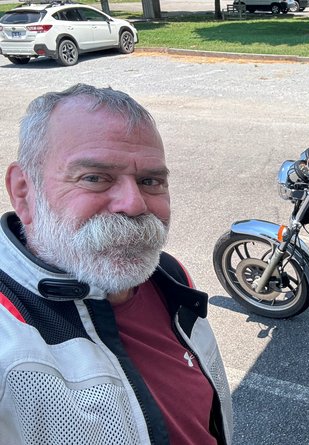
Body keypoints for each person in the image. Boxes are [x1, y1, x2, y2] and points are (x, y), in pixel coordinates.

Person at [0, 84, 233, 445]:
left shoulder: (168, 277)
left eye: (150, 181)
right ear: (23, 192)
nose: (134, 204)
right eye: (94, 178)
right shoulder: (9, 330)